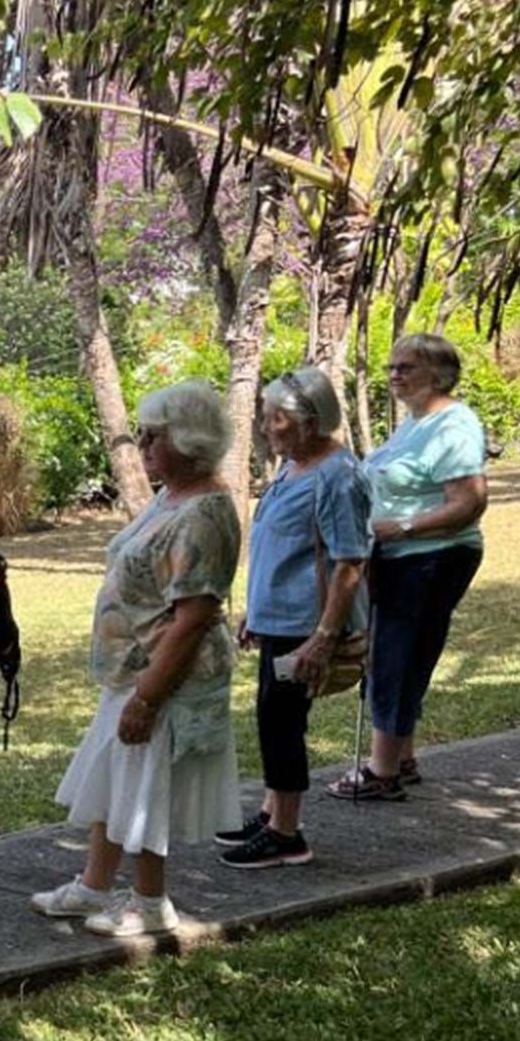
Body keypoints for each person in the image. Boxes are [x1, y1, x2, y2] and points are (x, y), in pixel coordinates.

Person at [30, 380, 242, 937]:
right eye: (142, 434)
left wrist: (148, 697)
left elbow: (192, 617)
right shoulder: (171, 495)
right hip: (130, 669)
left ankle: (151, 904)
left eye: (156, 436)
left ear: (191, 442)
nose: (142, 445)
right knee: (114, 777)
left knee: (147, 788)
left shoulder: (203, 512)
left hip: (161, 675)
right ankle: (93, 885)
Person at [328, 332, 488, 802]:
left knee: (396, 656)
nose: (394, 375)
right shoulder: (416, 420)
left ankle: (382, 772)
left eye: (406, 367)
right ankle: (402, 756)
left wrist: (404, 527)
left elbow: (471, 503)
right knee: (401, 653)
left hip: (431, 558)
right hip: (398, 558)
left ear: (439, 374)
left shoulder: (453, 425)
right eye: (391, 367)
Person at [221, 367, 370, 867]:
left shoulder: (337, 476)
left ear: (309, 422)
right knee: (272, 718)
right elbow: (281, 549)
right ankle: (271, 812)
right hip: (278, 622)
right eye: (266, 417)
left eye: (276, 419)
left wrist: (324, 638)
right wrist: (255, 613)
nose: (267, 427)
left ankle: (287, 834)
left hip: (305, 628)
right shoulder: (292, 466)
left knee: (280, 723)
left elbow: (349, 562)